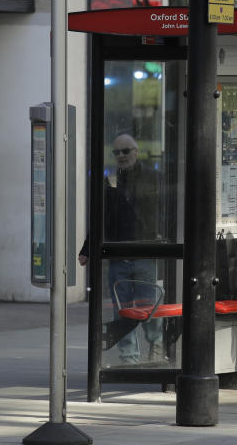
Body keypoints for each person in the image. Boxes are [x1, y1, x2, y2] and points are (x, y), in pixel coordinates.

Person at [78, 133, 163, 363]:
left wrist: (163, 236)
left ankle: (156, 343)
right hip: (118, 255)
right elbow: (100, 217)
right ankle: (129, 356)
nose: (121, 156)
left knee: (149, 305)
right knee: (122, 309)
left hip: (145, 252)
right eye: (117, 152)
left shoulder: (153, 178)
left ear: (136, 151)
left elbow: (164, 211)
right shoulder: (111, 181)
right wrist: (87, 249)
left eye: (126, 151)